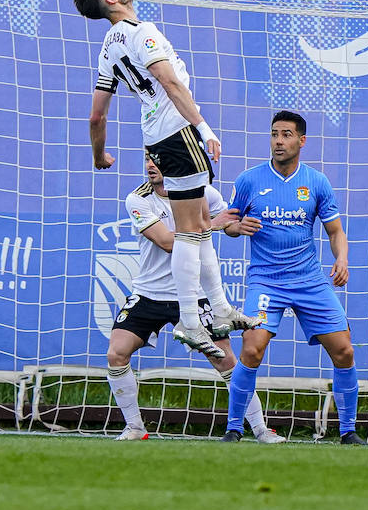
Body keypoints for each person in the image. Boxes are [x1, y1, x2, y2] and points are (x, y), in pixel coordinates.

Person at [76, 0, 253, 361]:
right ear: (110, 0)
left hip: (155, 137)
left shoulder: (107, 47)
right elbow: (171, 83)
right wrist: (203, 127)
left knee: (199, 224)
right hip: (179, 131)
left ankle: (219, 308)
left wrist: (98, 156)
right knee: (192, 230)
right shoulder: (143, 32)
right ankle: (191, 320)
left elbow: (96, 116)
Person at [106, 156, 282, 443]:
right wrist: (213, 224)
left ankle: (261, 429)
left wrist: (238, 225)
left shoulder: (204, 192)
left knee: (225, 360)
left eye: (158, 159)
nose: (151, 165)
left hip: (194, 294)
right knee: (116, 353)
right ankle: (135, 427)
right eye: (148, 159)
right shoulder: (138, 199)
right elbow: (166, 242)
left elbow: (230, 225)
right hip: (149, 293)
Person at [221, 111, 363, 444]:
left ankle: (348, 431)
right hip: (266, 281)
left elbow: (335, 231)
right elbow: (227, 223)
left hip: (309, 282)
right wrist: (236, 227)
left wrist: (341, 258)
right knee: (251, 350)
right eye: (274, 134)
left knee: (344, 351)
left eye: (286, 135)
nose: (278, 141)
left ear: (301, 140)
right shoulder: (249, 180)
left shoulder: (316, 182)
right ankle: (233, 428)